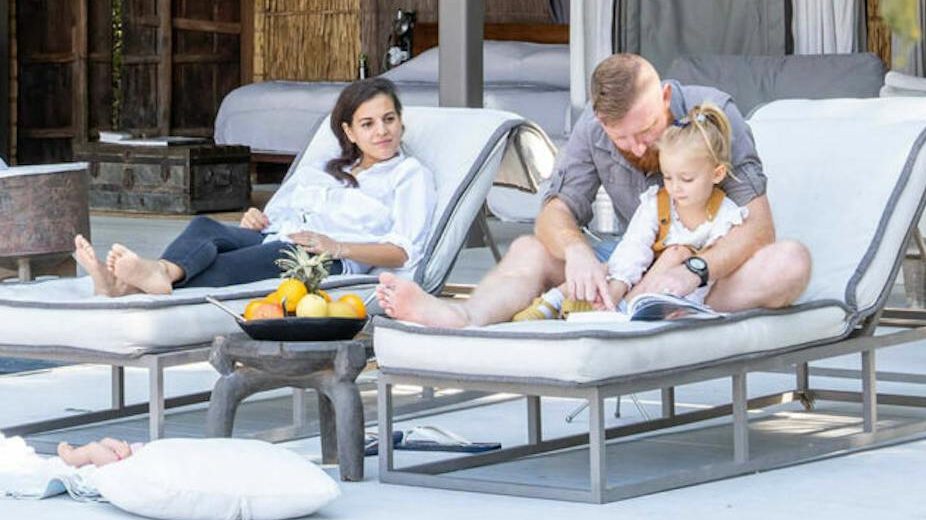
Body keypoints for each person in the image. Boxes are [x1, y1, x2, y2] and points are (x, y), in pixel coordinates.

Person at [378, 53, 811, 327]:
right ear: (602, 123)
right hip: (629, 262)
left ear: (664, 98)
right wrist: (577, 252)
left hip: (705, 269)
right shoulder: (592, 127)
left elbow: (759, 228)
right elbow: (555, 211)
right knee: (530, 249)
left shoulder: (713, 114)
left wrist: (694, 270)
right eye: (623, 139)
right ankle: (462, 316)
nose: (639, 148)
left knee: (790, 262)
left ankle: (659, 308)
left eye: (647, 130)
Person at [74, 78, 435, 297]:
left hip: (326, 260)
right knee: (205, 228)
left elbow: (403, 251)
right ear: (349, 132)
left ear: (401, 122)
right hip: (279, 236)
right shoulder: (325, 169)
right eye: (368, 124)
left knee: (232, 265)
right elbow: (276, 215)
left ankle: (130, 286)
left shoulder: (408, 175)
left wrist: (336, 246)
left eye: (389, 119)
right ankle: (156, 274)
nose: (382, 131)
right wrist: (256, 218)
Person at [510, 107, 755, 320]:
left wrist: (684, 302)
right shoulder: (657, 203)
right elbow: (634, 247)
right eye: (667, 177)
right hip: (635, 270)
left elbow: (709, 273)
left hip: (672, 285)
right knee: (608, 266)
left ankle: (620, 310)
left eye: (687, 179)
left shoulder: (727, 217)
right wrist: (618, 286)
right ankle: (552, 302)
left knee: (677, 253)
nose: (675, 188)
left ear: (717, 174)